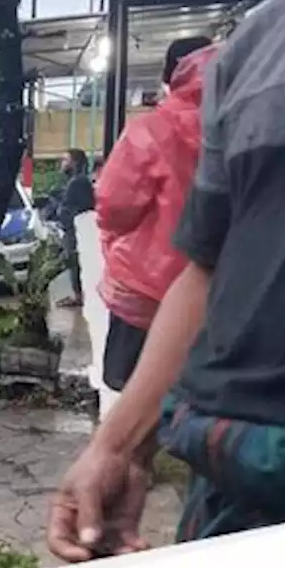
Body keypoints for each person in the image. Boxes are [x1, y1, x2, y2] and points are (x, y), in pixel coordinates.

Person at [47, 0, 285, 562]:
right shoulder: (262, 44)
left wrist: (117, 445)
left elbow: (122, 211)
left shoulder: (251, 53)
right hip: (241, 460)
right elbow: (206, 265)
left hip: (233, 440)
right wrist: (117, 449)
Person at [93, 37, 215, 399]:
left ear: (168, 77)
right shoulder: (244, 126)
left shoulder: (150, 131)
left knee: (135, 392)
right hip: (224, 291)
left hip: (149, 289)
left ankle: (140, 452)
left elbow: (113, 206)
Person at [54, 149, 95, 308]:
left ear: (74, 163)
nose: (62, 163)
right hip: (73, 229)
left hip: (76, 230)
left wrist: (68, 219)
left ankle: (79, 295)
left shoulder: (78, 182)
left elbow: (82, 207)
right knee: (74, 262)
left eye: (65, 160)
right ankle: (78, 294)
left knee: (75, 262)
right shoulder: (76, 182)